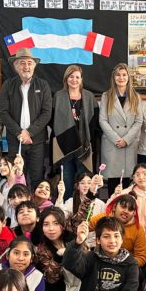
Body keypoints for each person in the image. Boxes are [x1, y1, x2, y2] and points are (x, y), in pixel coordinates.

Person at [0, 48, 52, 184]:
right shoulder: (8, 85)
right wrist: (19, 133)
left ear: (34, 66)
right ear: (16, 66)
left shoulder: (43, 85)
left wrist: (29, 132)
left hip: (37, 141)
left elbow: (46, 113)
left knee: (37, 177)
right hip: (15, 141)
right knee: (16, 177)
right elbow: (3, 112)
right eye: (22, 63)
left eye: (29, 63)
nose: (26, 66)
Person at [52, 65, 97, 199]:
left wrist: (89, 141)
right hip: (64, 144)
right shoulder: (59, 96)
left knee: (84, 182)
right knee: (66, 180)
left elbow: (94, 121)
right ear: (66, 79)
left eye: (77, 77)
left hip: (84, 144)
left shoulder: (89, 96)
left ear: (81, 79)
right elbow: (52, 120)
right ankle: (66, 211)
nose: (74, 80)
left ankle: (84, 209)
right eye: (71, 77)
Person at [99, 63, 143, 194]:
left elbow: (139, 121)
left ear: (129, 77)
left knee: (128, 183)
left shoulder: (136, 97)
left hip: (129, 145)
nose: (121, 78)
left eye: (124, 75)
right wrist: (117, 139)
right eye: (118, 75)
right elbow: (102, 120)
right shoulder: (106, 96)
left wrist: (126, 139)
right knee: (113, 183)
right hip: (113, 144)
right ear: (113, 77)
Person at [33, 207, 78, 291]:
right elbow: (52, 277)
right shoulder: (41, 250)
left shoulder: (72, 238)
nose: (51, 228)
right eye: (46, 224)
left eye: (55, 223)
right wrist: (62, 255)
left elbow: (82, 215)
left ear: (63, 224)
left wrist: (90, 195)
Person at [90, 193, 146, 268]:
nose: (126, 211)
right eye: (123, 207)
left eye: (130, 209)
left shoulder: (138, 229)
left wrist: (120, 263)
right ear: (114, 207)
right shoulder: (103, 218)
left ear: (134, 213)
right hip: (100, 263)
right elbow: (82, 228)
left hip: (125, 267)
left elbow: (141, 258)